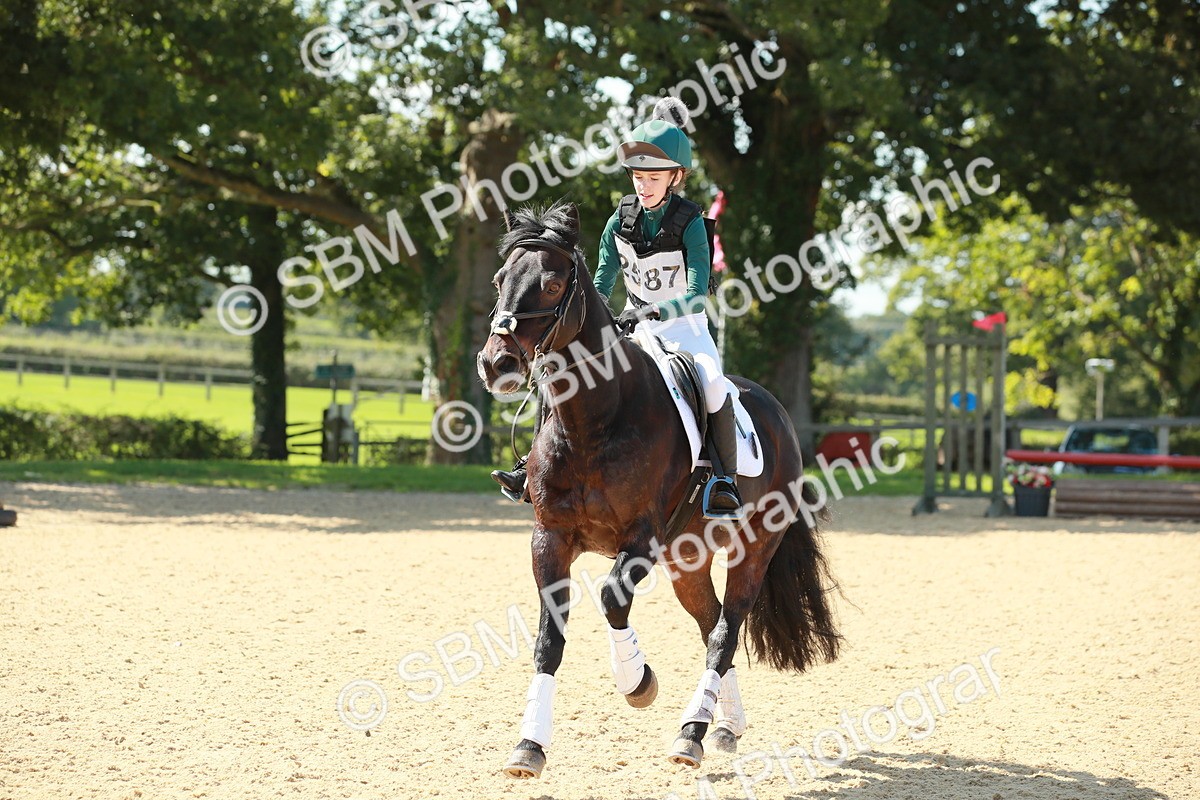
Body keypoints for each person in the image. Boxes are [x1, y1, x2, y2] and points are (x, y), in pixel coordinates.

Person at [492, 97, 744, 520]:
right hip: (631, 325)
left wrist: (654, 312)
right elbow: (602, 281)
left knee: (714, 383)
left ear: (676, 177)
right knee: (559, 371)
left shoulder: (691, 223)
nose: (644, 186)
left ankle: (723, 480)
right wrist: (597, 315)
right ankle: (529, 467)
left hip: (683, 327)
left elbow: (698, 292)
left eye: (654, 178)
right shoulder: (619, 220)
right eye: (638, 177)